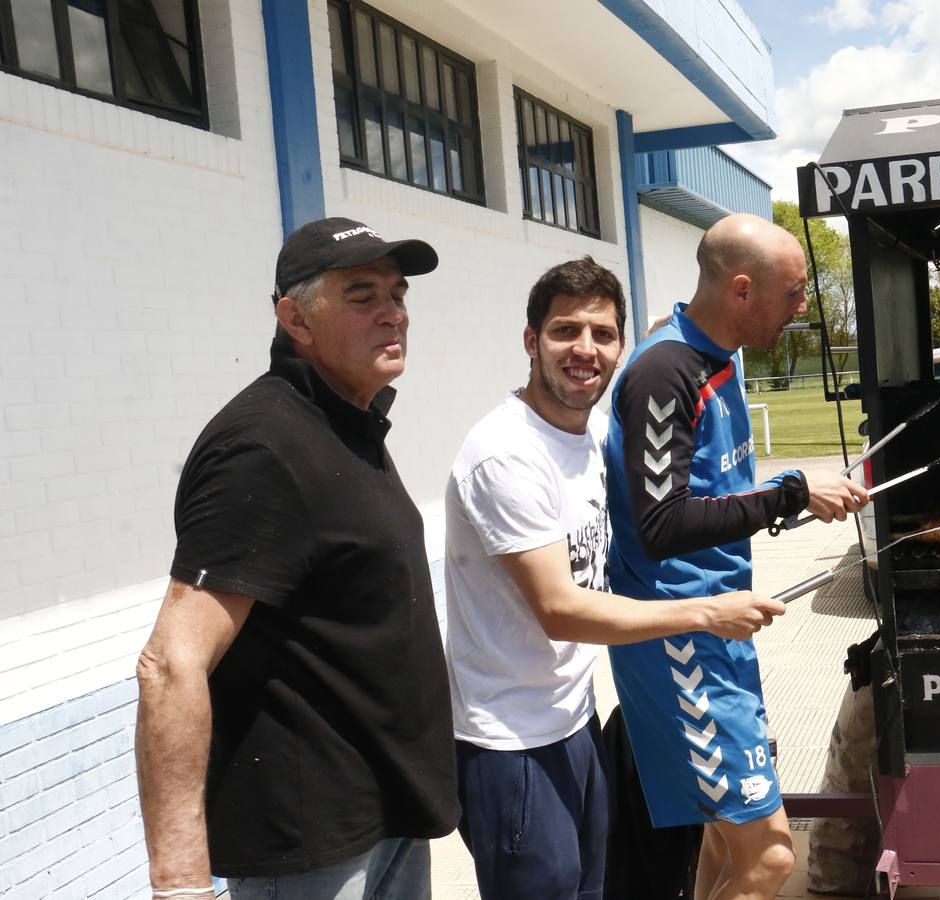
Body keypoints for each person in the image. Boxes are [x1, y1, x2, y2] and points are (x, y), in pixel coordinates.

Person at [442, 256, 785, 900]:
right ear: (529, 341)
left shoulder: (588, 433)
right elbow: (560, 609)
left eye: (602, 335)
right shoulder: (506, 455)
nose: (584, 349)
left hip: (573, 721)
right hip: (510, 745)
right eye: (564, 331)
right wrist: (706, 612)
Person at [135, 217, 458, 900]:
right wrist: (182, 883)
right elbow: (171, 664)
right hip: (312, 851)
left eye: (398, 294)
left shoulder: (346, 424)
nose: (393, 313)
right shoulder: (263, 448)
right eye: (362, 295)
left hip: (386, 821)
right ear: (296, 320)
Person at [604, 213, 869, 900]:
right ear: (743, 290)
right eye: (795, 292)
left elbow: (713, 495)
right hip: (682, 641)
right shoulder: (667, 369)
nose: (803, 307)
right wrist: (787, 495)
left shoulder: (719, 359)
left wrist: (791, 497)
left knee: (725, 841)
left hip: (721, 631)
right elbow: (661, 523)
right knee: (772, 857)